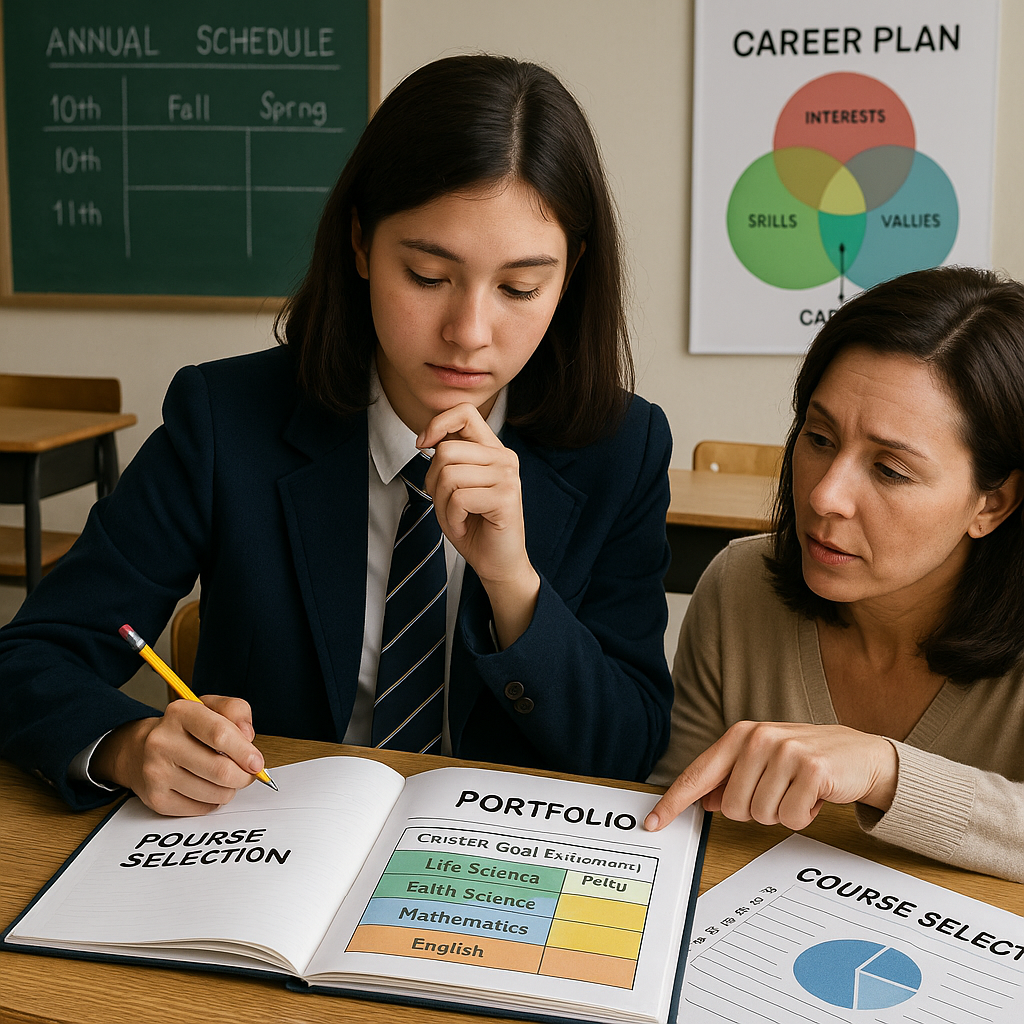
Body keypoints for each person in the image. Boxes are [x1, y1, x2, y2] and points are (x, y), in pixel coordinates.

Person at [0, 55, 673, 816]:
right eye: (426, 275)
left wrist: (514, 585)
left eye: (520, 288)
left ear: (571, 275)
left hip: (489, 875)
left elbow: (629, 746)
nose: (469, 334)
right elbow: (28, 655)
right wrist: (126, 744)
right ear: (360, 243)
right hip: (270, 848)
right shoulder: (226, 418)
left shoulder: (622, 448)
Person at [647, 266, 1024, 882]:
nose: (826, 496)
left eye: (891, 470)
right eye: (818, 437)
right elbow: (678, 815)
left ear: (992, 504)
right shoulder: (740, 586)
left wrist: (886, 771)